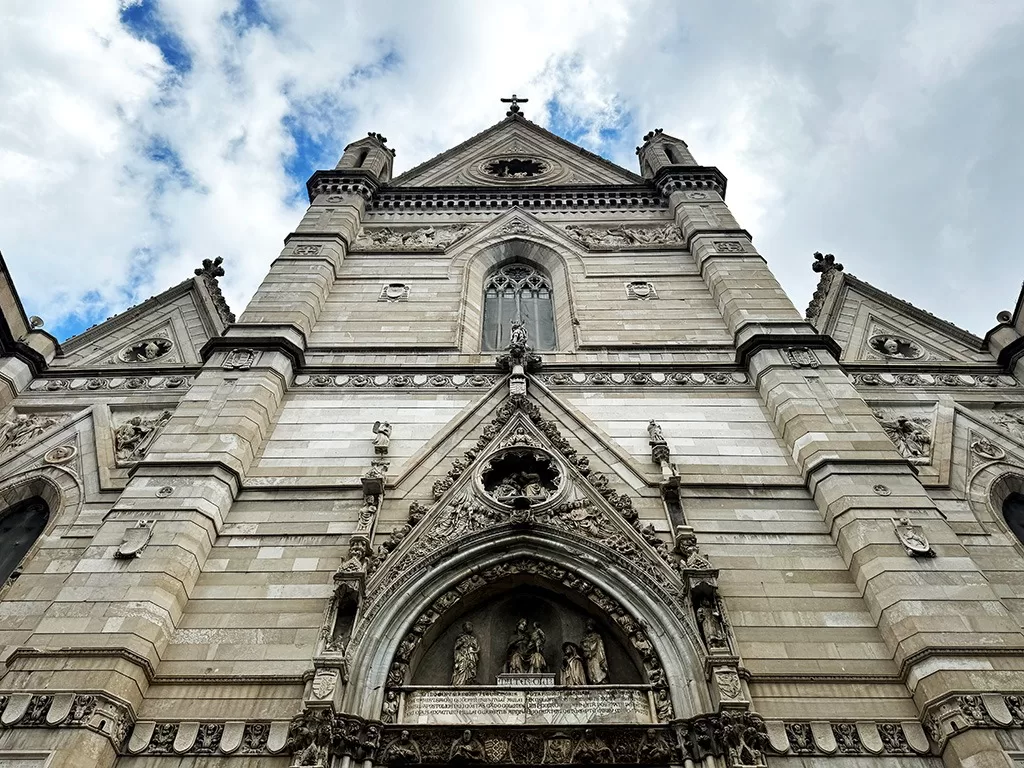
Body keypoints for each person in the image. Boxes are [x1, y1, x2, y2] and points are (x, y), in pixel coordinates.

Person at [580, 619, 608, 684]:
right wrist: (586, 649)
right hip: (589, 658)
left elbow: (599, 646)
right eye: (587, 626)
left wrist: (591, 650)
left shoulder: (597, 636)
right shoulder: (585, 638)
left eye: (590, 626)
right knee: (590, 670)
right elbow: (582, 646)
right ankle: (593, 681)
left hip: (596, 656)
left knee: (597, 668)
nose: (588, 627)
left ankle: (600, 680)